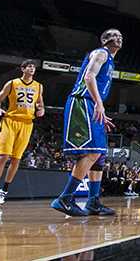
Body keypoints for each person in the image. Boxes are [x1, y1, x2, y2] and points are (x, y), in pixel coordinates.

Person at [51, 29, 122, 217]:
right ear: (105, 40)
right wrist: (100, 104)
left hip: (91, 104)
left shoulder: (110, 59)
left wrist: (99, 108)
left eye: (120, 35)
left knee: (99, 155)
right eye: (114, 35)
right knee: (91, 152)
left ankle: (93, 202)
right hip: (82, 102)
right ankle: (65, 198)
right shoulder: (101, 53)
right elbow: (89, 77)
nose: (118, 38)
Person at [0, 60, 44, 206]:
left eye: (33, 67)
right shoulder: (12, 83)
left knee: (16, 159)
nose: (32, 68)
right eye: (29, 66)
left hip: (27, 124)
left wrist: (41, 110)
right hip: (10, 121)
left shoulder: (39, 86)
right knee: (4, 156)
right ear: (23, 69)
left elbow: (40, 105)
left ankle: (4, 191)